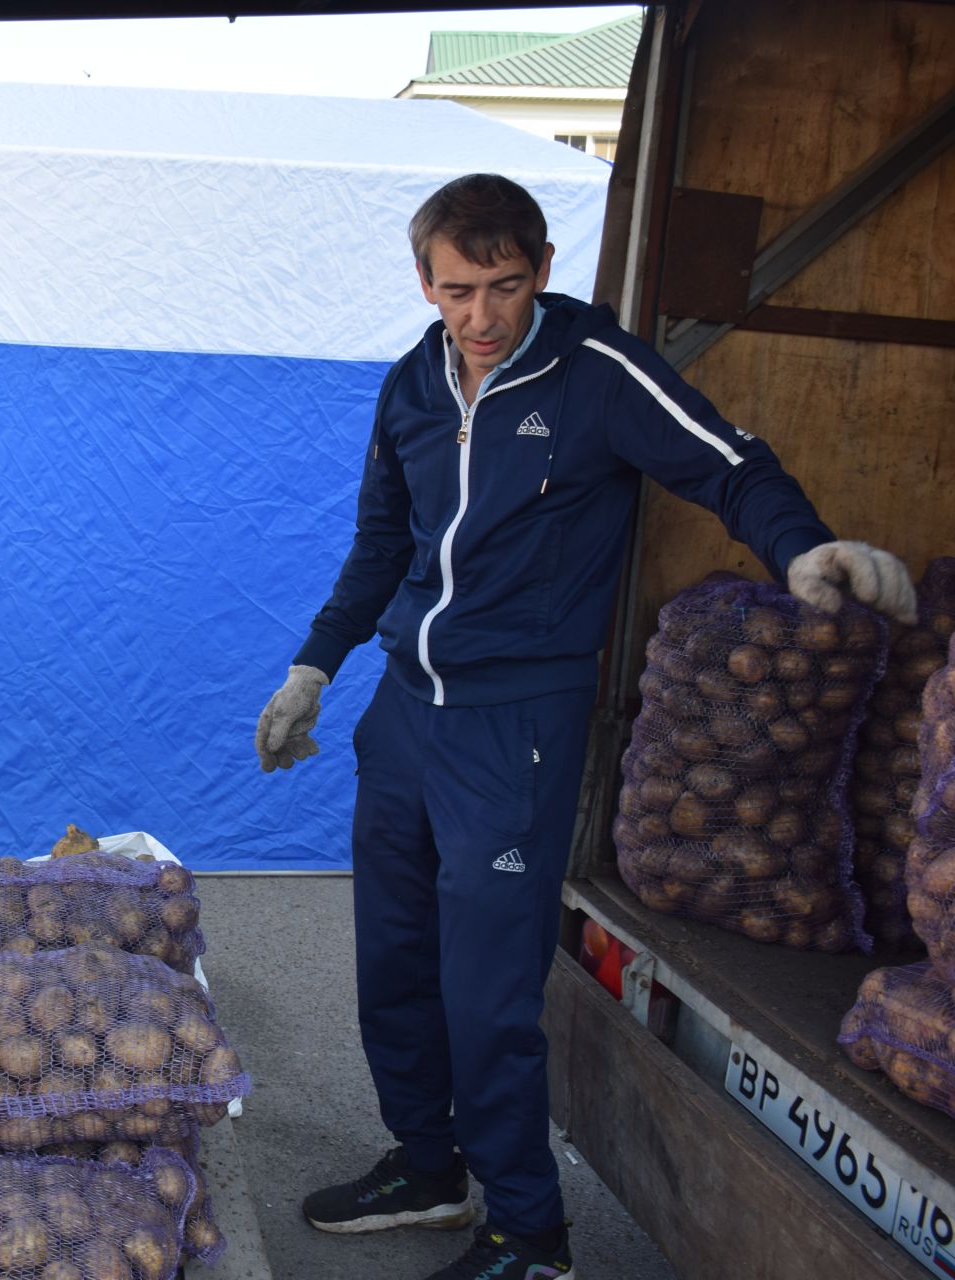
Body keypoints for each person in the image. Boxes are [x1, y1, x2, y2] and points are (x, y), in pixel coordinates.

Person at [256, 173, 917, 1280]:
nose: (482, 315)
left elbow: (729, 461)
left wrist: (801, 545)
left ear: (543, 270)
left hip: (516, 725)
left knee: (489, 988)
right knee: (395, 961)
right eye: (459, 289)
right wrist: (313, 666)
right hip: (405, 715)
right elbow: (383, 541)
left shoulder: (594, 371)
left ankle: (530, 1230)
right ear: (424, 280)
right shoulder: (413, 383)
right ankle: (430, 1163)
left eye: (505, 285)